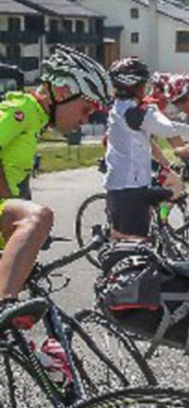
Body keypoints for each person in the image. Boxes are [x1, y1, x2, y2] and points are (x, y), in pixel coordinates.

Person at [0, 48, 110, 299]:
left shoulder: (35, 121)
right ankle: (4, 306)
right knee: (39, 217)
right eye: (87, 108)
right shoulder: (22, 109)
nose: (86, 119)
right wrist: (11, 202)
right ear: (62, 92)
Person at [102, 57, 189, 241]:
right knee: (137, 245)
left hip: (119, 185)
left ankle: (157, 223)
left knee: (125, 243)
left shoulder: (121, 108)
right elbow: (168, 129)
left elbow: (150, 141)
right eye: (144, 84)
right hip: (132, 188)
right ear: (136, 84)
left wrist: (167, 161)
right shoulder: (136, 112)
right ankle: (161, 220)